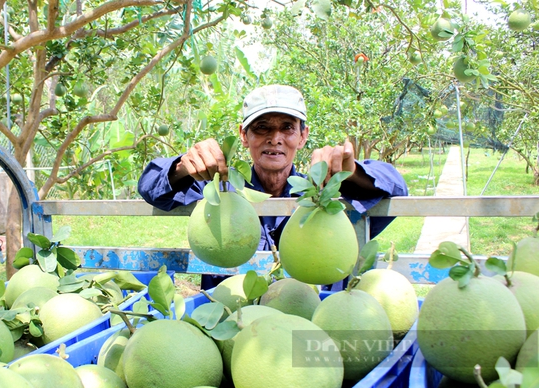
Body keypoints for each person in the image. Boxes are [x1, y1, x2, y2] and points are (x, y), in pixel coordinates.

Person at [138, 84, 408, 289]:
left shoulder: (324, 197)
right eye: (262, 128)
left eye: (287, 128)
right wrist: (183, 167)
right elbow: (150, 185)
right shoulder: (221, 192)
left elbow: (396, 189)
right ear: (244, 136)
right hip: (235, 327)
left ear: (303, 136)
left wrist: (351, 173)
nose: (275, 138)